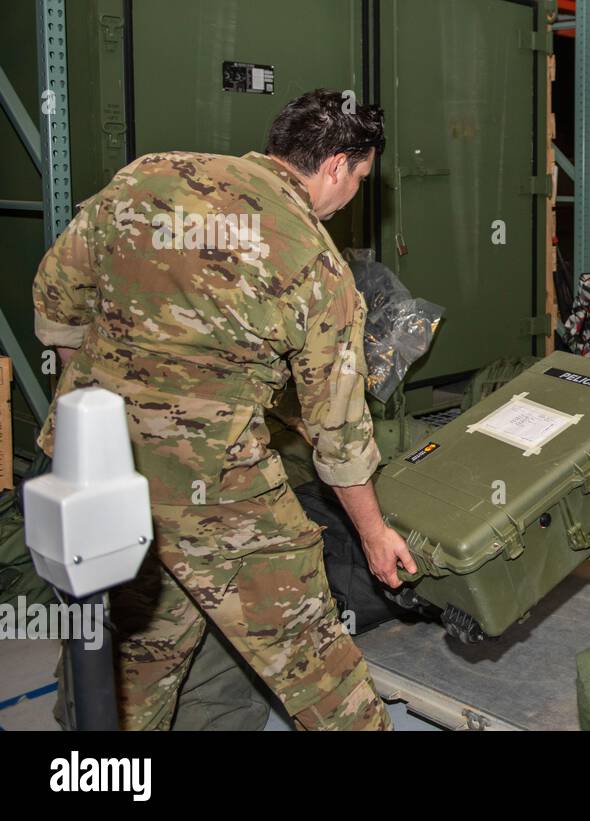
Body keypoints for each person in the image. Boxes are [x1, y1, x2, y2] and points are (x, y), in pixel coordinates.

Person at [33, 89, 415, 729]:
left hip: (94, 479)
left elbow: (55, 302)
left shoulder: (147, 176)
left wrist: (94, 409)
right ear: (335, 167)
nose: (354, 195)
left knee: (129, 662)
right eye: (360, 178)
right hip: (218, 493)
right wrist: (374, 536)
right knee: (316, 666)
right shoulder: (315, 264)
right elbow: (339, 437)